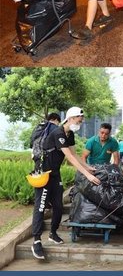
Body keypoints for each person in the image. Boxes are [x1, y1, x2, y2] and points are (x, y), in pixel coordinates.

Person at [31, 107, 100, 261]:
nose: (80, 123)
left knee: (58, 205)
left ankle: (53, 233)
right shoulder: (58, 134)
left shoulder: (70, 135)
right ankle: (36, 240)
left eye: (81, 121)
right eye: (79, 120)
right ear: (70, 118)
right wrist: (87, 175)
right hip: (43, 173)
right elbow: (70, 158)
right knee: (41, 206)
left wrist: (89, 167)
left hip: (55, 173)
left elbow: (75, 154)